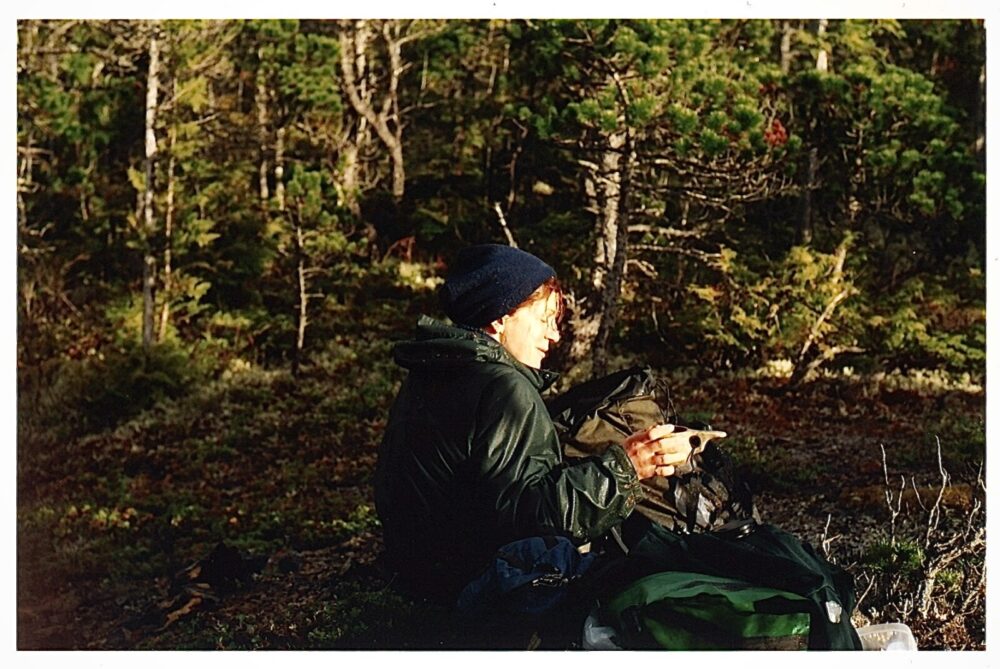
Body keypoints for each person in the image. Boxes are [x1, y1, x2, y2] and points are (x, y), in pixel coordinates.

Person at [375, 244, 694, 603]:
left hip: (416, 575)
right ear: (501, 317)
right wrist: (629, 466)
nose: (554, 335)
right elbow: (529, 520)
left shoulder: (433, 372)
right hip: (472, 589)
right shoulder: (503, 387)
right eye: (544, 319)